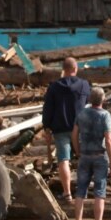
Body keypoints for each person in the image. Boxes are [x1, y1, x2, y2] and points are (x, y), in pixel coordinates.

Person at [41, 57, 90, 202]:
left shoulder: (54, 87)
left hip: (60, 128)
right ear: (75, 69)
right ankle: (83, 191)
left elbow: (48, 109)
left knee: (63, 160)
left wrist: (46, 127)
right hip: (79, 128)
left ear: (63, 70)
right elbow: (87, 101)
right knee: (83, 159)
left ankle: (67, 193)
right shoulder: (84, 85)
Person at [72, 86, 111, 220]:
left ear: (90, 99)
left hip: (84, 155)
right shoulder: (105, 115)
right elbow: (109, 141)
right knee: (99, 193)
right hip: (99, 157)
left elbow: (74, 135)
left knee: (80, 192)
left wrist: (78, 151)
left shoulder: (81, 114)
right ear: (103, 99)